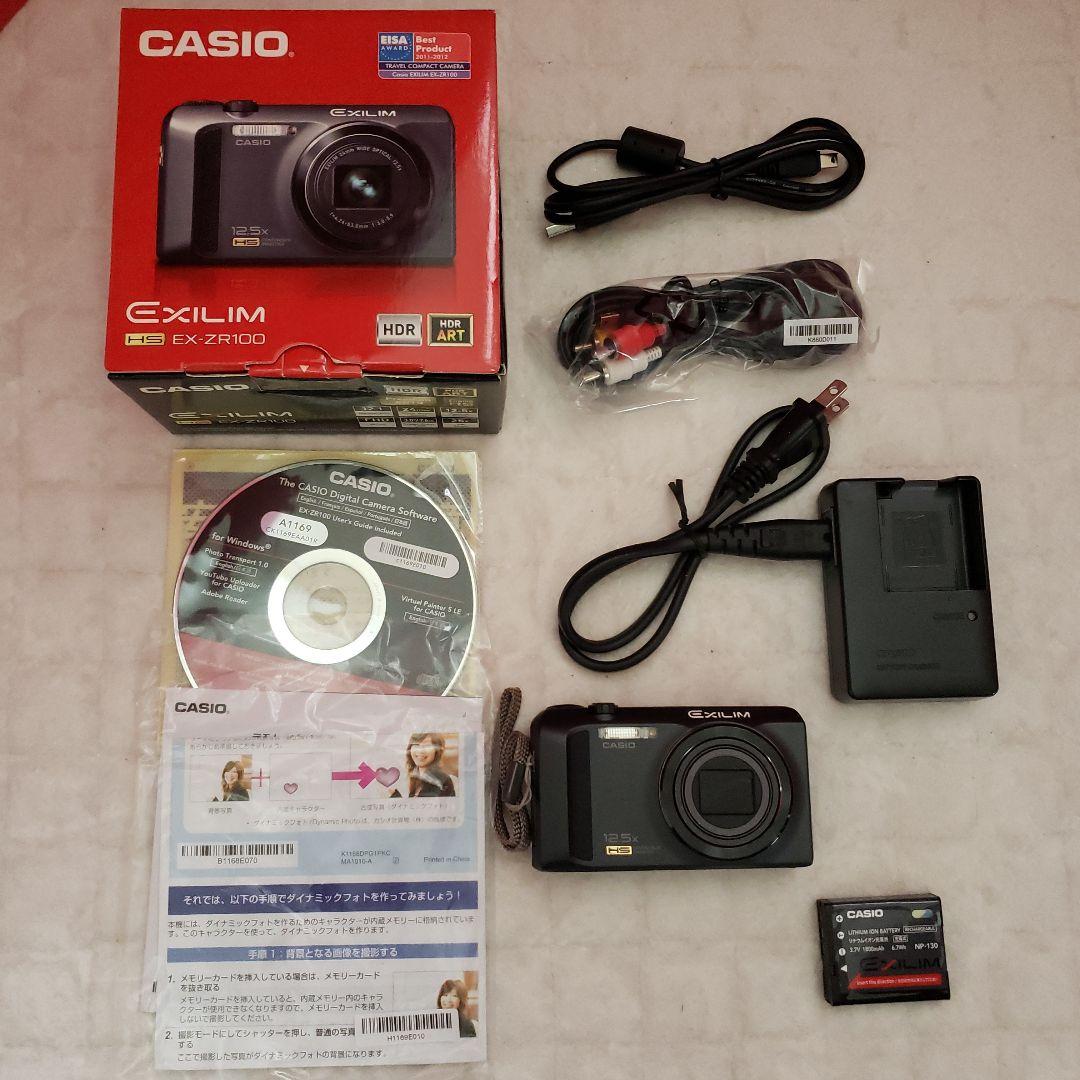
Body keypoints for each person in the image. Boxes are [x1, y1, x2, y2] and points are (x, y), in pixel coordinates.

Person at [404, 733, 456, 797]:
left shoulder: (440, 780)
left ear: (436, 751)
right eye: (416, 745)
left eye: (427, 746)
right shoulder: (415, 777)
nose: (420, 751)